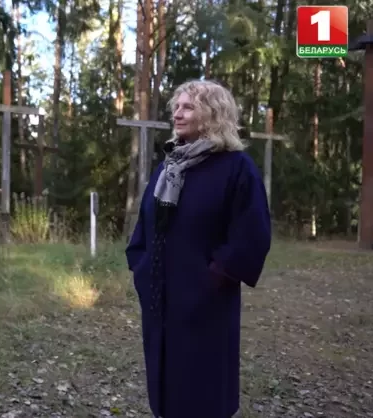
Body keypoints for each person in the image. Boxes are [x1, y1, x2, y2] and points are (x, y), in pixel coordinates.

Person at [125, 80, 271, 418]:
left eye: (188, 107)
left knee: (203, 389)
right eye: (176, 107)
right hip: (160, 297)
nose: (177, 114)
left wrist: (212, 278)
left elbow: (252, 234)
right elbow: (146, 223)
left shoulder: (236, 168)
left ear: (213, 114)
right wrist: (141, 267)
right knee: (166, 385)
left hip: (206, 304)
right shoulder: (168, 166)